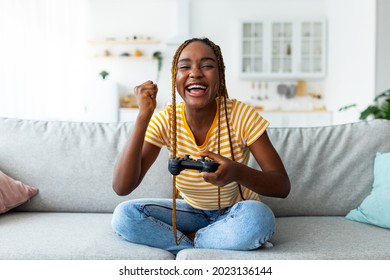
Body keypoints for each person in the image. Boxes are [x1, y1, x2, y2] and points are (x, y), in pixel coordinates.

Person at [111, 38, 290, 254]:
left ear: (220, 75)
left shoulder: (241, 116)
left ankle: (187, 243)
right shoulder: (166, 119)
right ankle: (208, 241)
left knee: (260, 218)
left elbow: (281, 186)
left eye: (206, 66)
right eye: (185, 67)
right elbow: (122, 187)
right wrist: (143, 116)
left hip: (236, 212)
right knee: (125, 216)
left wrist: (236, 172)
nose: (195, 73)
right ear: (175, 78)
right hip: (191, 213)